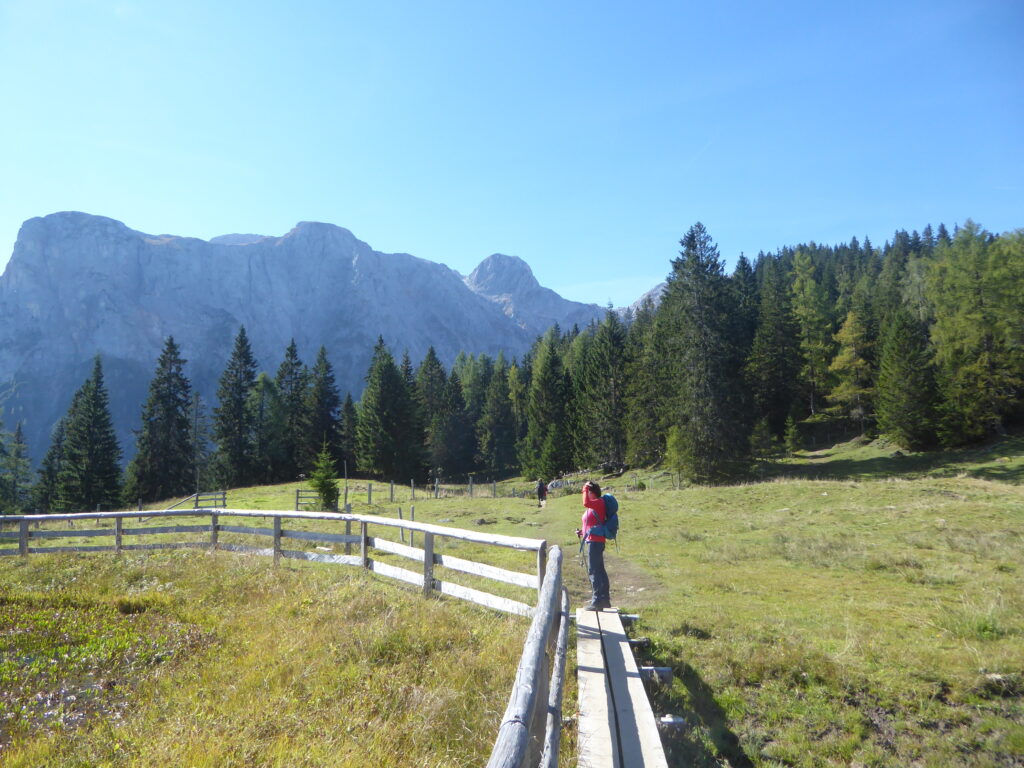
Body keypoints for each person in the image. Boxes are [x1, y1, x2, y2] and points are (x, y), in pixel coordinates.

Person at [576, 480, 611, 610]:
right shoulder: (594, 506)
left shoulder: (599, 502)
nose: (586, 494)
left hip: (595, 542)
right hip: (593, 540)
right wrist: (582, 532)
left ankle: (597, 601)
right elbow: (592, 523)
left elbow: (585, 502)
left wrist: (584, 487)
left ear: (592, 492)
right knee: (599, 570)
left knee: (594, 570)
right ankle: (605, 600)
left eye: (588, 492)